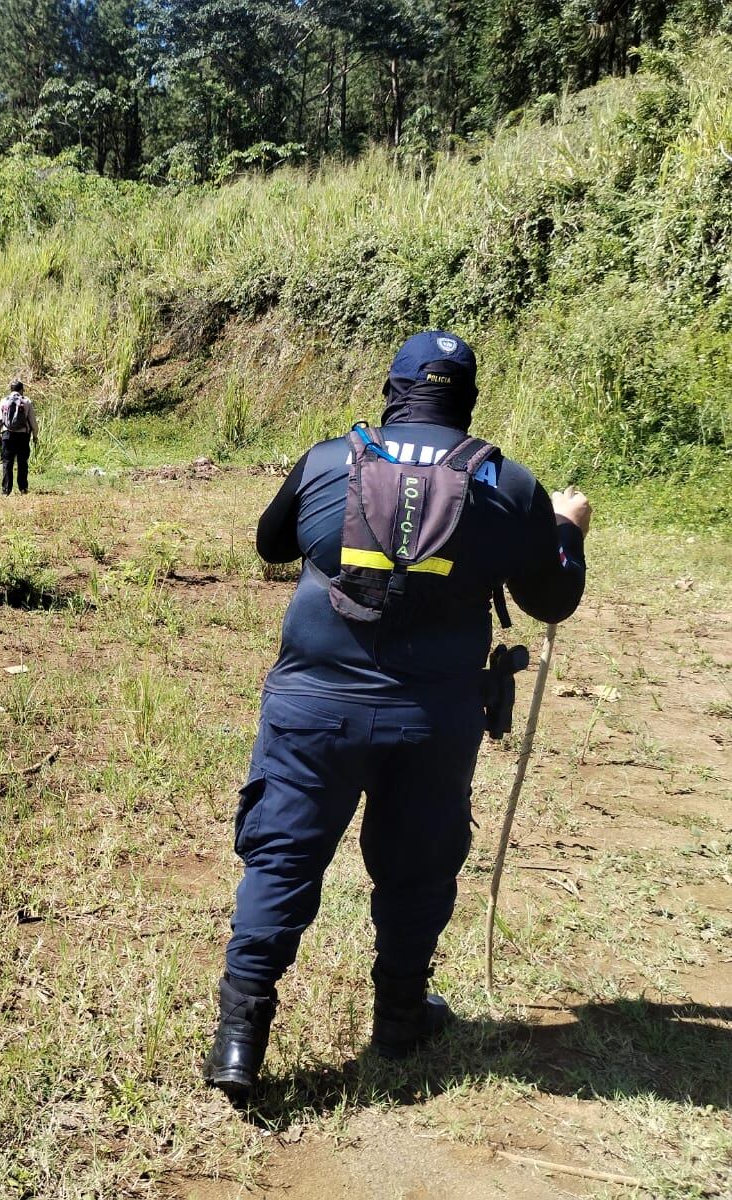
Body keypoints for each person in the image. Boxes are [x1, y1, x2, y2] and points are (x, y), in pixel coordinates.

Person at [203, 330, 591, 1104]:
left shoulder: (326, 460)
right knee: (417, 868)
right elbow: (550, 602)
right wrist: (564, 531)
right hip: (433, 716)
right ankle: (400, 1019)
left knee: (281, 860)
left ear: (391, 390)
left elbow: (269, 544)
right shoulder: (507, 483)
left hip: (311, 709)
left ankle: (240, 1040)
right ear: (467, 398)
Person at [0, 380, 37, 496]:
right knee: (22, 462)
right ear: (21, 390)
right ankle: (23, 488)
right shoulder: (26, 401)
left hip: (7, 435)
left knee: (7, 463)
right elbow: (33, 422)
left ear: (11, 389)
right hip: (23, 436)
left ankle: (6, 490)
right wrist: (35, 436)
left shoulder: (4, 401)